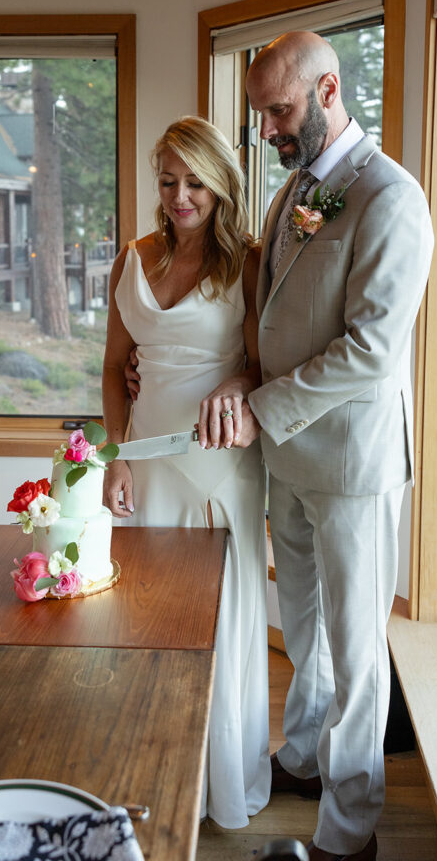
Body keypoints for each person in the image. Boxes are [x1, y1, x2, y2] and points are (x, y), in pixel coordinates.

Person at [196, 31, 434, 861]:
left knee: (358, 650)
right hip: (287, 460)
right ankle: (302, 756)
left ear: (328, 91)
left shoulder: (391, 198)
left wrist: (260, 407)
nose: (266, 129)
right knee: (301, 630)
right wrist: (235, 380)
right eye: (261, 112)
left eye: (279, 109)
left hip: (350, 468)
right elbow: (274, 310)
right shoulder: (298, 187)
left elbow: (370, 351)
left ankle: (349, 831)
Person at [101, 115, 271, 829]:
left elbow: (266, 365)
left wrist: (237, 383)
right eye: (168, 181)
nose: (179, 196)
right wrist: (113, 453)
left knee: (220, 622)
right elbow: (114, 367)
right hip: (147, 465)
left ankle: (221, 784)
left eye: (195, 181)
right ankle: (153, 774)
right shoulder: (130, 259)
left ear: (220, 184)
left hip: (219, 464)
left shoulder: (250, 262)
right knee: (143, 623)